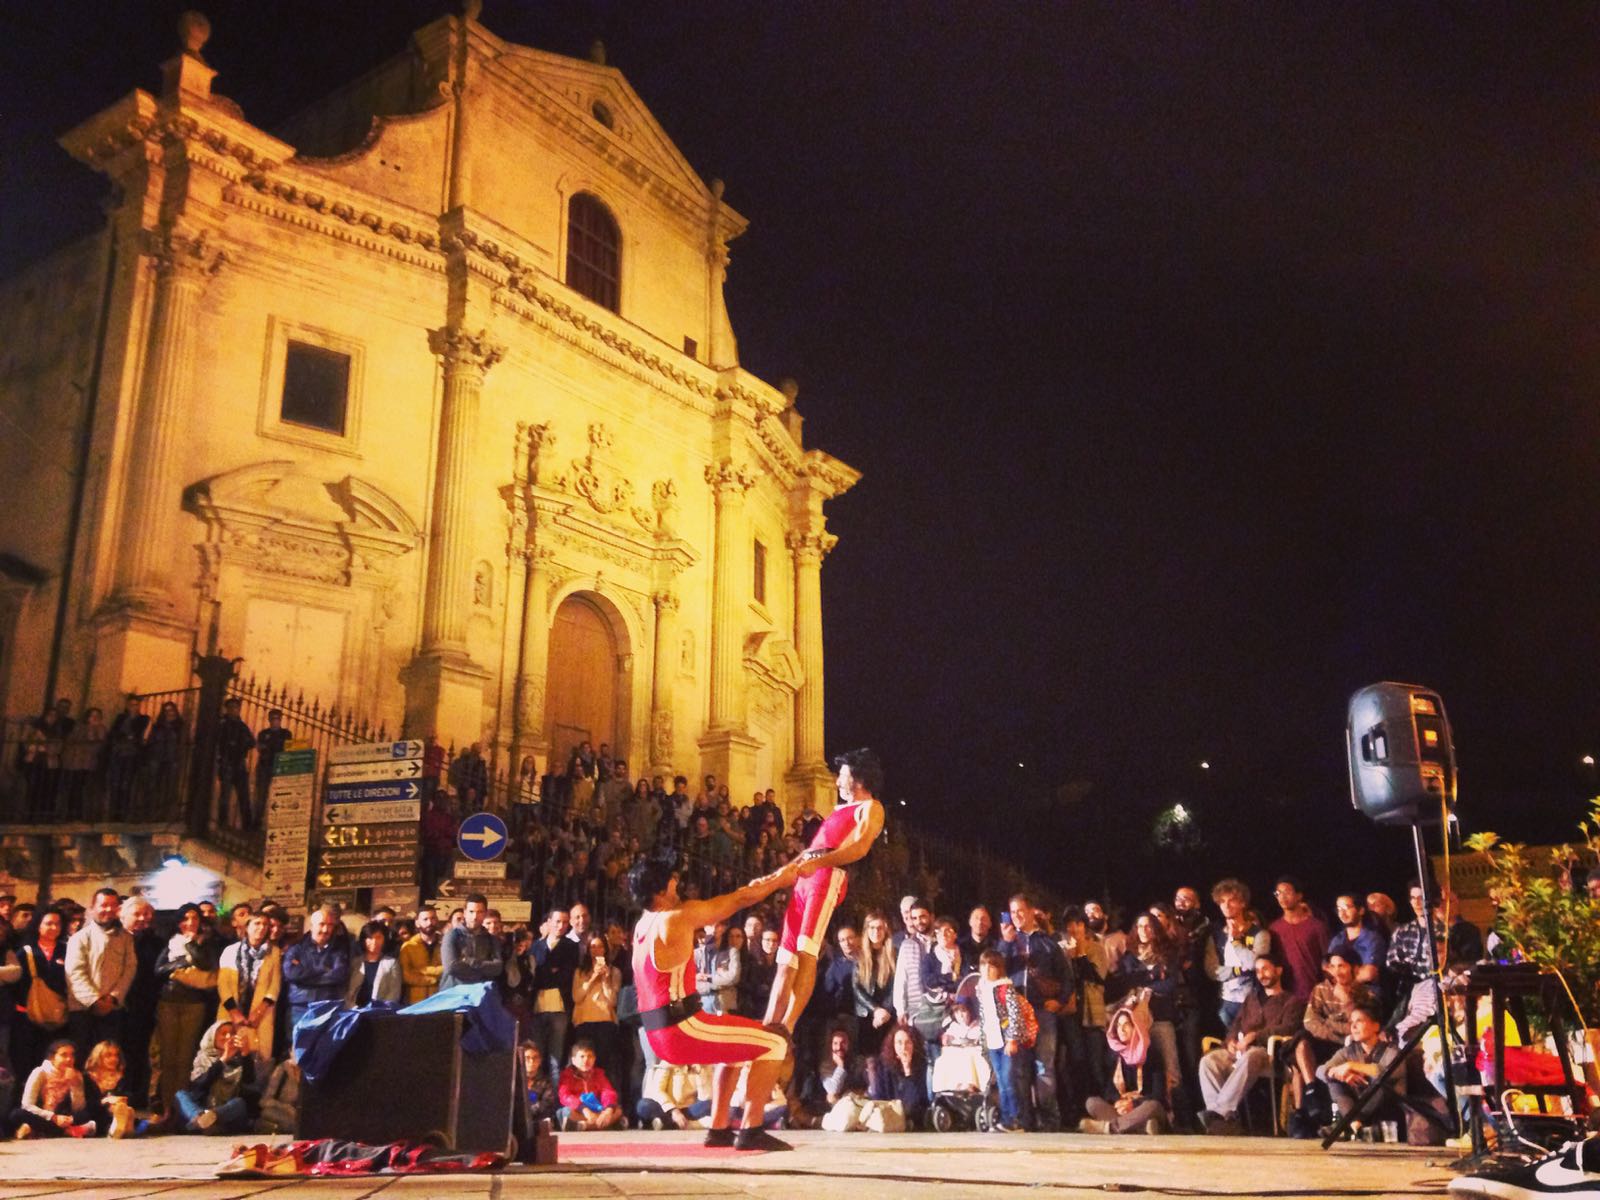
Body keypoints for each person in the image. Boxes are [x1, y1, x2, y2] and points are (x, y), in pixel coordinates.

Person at [628, 855, 798, 1151]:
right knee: (775, 1043)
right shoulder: (676, 916)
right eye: (671, 878)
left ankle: (719, 1128)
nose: (676, 882)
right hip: (683, 1028)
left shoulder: (643, 925)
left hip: (661, 1032)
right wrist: (782, 878)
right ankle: (751, 1128)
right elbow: (740, 899)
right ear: (659, 889)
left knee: (735, 1048)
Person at [763, 749, 886, 1032]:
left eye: (841, 776)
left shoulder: (871, 808)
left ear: (857, 779)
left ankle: (788, 1025)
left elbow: (858, 848)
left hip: (827, 876)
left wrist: (819, 862)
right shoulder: (839, 810)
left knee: (807, 952)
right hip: (807, 877)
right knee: (786, 959)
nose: (837, 782)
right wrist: (781, 873)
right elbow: (811, 851)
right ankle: (769, 1024)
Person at [1198, 954, 1305, 1134]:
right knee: (1209, 1061)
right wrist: (1230, 1041)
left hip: (1268, 1054)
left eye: (1265, 969)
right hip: (1239, 1050)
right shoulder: (1252, 998)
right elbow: (1236, 1024)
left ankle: (1217, 1113)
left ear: (1278, 970)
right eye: (1257, 971)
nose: (1261, 974)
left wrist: (1256, 1036)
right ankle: (1224, 1120)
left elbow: (1289, 1028)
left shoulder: (1290, 1001)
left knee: (1252, 1056)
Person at [155, 902, 221, 1120]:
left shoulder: (206, 943)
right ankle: (166, 1108)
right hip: (168, 1002)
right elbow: (159, 969)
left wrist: (192, 945)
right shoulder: (172, 942)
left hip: (193, 1004)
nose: (190, 923)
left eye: (194, 918)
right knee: (168, 1058)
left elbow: (203, 963)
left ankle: (182, 1109)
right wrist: (182, 962)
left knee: (184, 1059)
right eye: (185, 918)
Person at [64, 887, 136, 1061]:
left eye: (113, 905)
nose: (108, 910)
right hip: (82, 1011)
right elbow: (75, 973)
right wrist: (95, 1000)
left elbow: (129, 969)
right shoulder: (80, 938)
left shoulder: (126, 938)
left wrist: (113, 998)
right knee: (84, 1060)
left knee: (108, 1060)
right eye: (104, 905)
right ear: (93, 907)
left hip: (113, 1009)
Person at [1080, 1003, 1169, 1135]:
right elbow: (1108, 1091)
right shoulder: (1114, 1055)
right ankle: (1140, 1128)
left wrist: (1134, 1104)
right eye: (1118, 1026)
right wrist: (1118, 1102)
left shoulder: (1151, 1054)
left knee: (1153, 1106)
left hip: (1143, 1107)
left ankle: (1110, 1128)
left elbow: (1158, 1094)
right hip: (1122, 1109)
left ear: (1136, 1027)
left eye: (1126, 1025)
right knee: (1092, 1102)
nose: (1121, 1029)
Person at [976, 948, 1033, 1133]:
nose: (986, 970)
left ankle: (1015, 1119)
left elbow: (1015, 1015)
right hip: (992, 1042)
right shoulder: (982, 990)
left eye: (991, 966)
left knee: (1009, 1080)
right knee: (1001, 1081)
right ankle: (1006, 1117)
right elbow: (984, 1017)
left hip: (1006, 1040)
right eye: (983, 965)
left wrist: (1012, 1039)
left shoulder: (1005, 988)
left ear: (999, 969)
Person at [217, 911, 280, 1067]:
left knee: (258, 1058)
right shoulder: (230, 951)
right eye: (257, 923)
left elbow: (275, 984)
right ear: (247, 927)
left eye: (265, 924)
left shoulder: (274, 952)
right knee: (228, 1054)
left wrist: (259, 1011)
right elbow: (223, 984)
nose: (262, 928)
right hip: (232, 1011)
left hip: (261, 1013)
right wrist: (234, 1012)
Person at [14, 909, 70, 1084]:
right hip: (28, 1016)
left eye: (58, 924)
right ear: (38, 926)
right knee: (27, 1060)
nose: (53, 927)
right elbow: (17, 984)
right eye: (48, 923)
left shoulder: (67, 949)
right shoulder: (26, 952)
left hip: (58, 1017)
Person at [177, 1021, 259, 1134]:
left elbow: (250, 1082)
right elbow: (199, 1086)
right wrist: (223, 1059)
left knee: (239, 1103)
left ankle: (209, 1119)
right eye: (223, 1033)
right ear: (212, 1037)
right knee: (181, 1095)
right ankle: (201, 1118)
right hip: (204, 1106)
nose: (228, 1037)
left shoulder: (240, 1059)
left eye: (232, 1033)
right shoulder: (202, 1058)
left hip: (227, 1112)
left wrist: (245, 1055)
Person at [6, 1038, 93, 1138]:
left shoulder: (76, 1074)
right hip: (43, 1116)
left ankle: (35, 1129)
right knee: (17, 1114)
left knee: (88, 1113)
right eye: (64, 1055)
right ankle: (66, 1132)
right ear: (52, 1057)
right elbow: (27, 1105)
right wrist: (54, 1117)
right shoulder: (40, 1072)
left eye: (72, 1055)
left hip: (65, 1116)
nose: (69, 1059)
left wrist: (74, 1084)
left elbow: (78, 1108)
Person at [281, 908, 349, 1031]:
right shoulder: (296, 948)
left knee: (323, 1049)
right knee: (297, 1048)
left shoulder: (339, 951)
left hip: (327, 1008)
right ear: (311, 926)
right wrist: (324, 969)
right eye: (322, 924)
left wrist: (305, 974)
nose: (325, 929)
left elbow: (339, 975)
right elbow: (292, 973)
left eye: (330, 925)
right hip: (300, 1008)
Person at [571, 933, 621, 1073]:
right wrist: (593, 977)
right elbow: (577, 997)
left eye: (600, 946)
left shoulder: (614, 972)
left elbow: (613, 1000)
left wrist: (605, 980)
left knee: (604, 1063)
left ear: (605, 949)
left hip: (605, 1020)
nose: (596, 950)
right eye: (592, 947)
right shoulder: (580, 972)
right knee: (584, 1063)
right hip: (584, 1020)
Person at [867, 1023, 930, 1129]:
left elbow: (916, 1101)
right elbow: (878, 1097)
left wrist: (908, 1070)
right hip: (888, 1117)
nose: (903, 1047)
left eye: (908, 1043)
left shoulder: (922, 1066)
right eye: (899, 1043)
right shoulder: (884, 1067)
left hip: (914, 1118)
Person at [853, 909, 897, 1056]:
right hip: (867, 1015)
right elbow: (857, 988)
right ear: (866, 930)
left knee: (889, 1059)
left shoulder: (894, 955)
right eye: (872, 928)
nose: (876, 932)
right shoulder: (859, 956)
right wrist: (875, 1009)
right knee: (871, 1063)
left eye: (879, 928)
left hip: (889, 1016)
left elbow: (896, 986)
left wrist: (885, 1011)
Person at [439, 894, 504, 991]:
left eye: (480, 912)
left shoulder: (492, 939)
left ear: (485, 913)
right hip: (454, 992)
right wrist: (483, 969)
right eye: (471, 912)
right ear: (464, 913)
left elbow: (497, 968)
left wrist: (469, 961)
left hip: (480, 994)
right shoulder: (452, 936)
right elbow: (451, 967)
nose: (475, 916)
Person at [557, 1038, 622, 1130]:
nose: (586, 1060)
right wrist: (584, 1109)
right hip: (580, 1110)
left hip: (597, 1110)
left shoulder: (599, 1074)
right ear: (574, 1060)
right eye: (582, 1056)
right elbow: (565, 1096)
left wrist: (608, 1110)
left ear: (594, 1059)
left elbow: (607, 1091)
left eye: (590, 1056)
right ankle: (603, 1125)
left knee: (617, 1110)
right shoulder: (567, 1076)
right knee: (566, 1112)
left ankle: (584, 1126)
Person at [83, 1039, 143, 1138]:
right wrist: (106, 1102)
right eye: (109, 1055)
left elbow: (132, 1096)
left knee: (127, 1111)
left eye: (116, 1055)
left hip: (118, 1110)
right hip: (96, 1114)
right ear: (98, 1057)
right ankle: (118, 1128)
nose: (114, 1059)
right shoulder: (87, 1077)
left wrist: (120, 1101)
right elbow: (86, 1103)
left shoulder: (124, 1076)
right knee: (98, 1118)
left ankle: (121, 1126)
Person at [215, 698, 254, 829]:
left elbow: (251, 742)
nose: (233, 710)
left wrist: (239, 744)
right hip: (227, 762)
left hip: (239, 763)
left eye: (235, 707)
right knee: (225, 796)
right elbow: (219, 742)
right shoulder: (222, 724)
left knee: (244, 795)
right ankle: (222, 823)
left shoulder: (242, 726)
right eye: (230, 707)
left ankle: (247, 825)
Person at [344, 922, 401, 1007]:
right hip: (354, 1011)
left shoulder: (391, 963)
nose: (374, 942)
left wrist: (381, 1009)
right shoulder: (355, 963)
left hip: (380, 1012)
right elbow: (347, 990)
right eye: (370, 938)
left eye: (378, 937)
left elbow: (394, 993)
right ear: (363, 940)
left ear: (384, 939)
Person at [399, 905, 443, 1003]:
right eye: (425, 919)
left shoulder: (444, 944)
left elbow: (448, 969)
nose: (429, 922)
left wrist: (420, 970)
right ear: (417, 923)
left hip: (440, 1000)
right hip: (414, 1003)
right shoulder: (408, 947)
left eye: (433, 918)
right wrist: (433, 980)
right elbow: (406, 976)